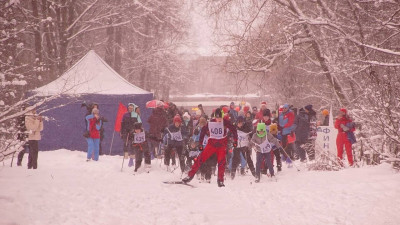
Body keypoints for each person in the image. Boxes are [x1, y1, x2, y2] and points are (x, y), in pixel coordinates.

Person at [182, 108, 238, 187]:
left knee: (221, 162)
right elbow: (203, 131)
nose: (218, 120)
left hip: (221, 145)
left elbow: (234, 129)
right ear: (215, 117)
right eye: (217, 117)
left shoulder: (225, 122)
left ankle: (220, 180)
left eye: (220, 118)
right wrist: (201, 143)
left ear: (222, 117)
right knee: (200, 159)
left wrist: (235, 140)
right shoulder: (211, 122)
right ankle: (190, 176)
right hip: (211, 144)